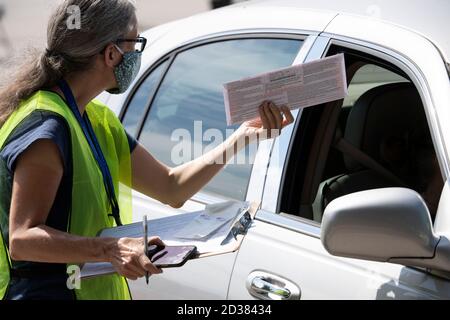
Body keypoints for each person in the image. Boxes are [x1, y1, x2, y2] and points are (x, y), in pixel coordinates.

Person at [0, 0, 293, 300]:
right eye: (135, 43)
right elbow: (23, 238)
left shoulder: (97, 119)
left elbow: (171, 187)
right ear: (111, 54)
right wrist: (110, 249)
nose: (137, 54)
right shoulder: (46, 129)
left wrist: (244, 135)